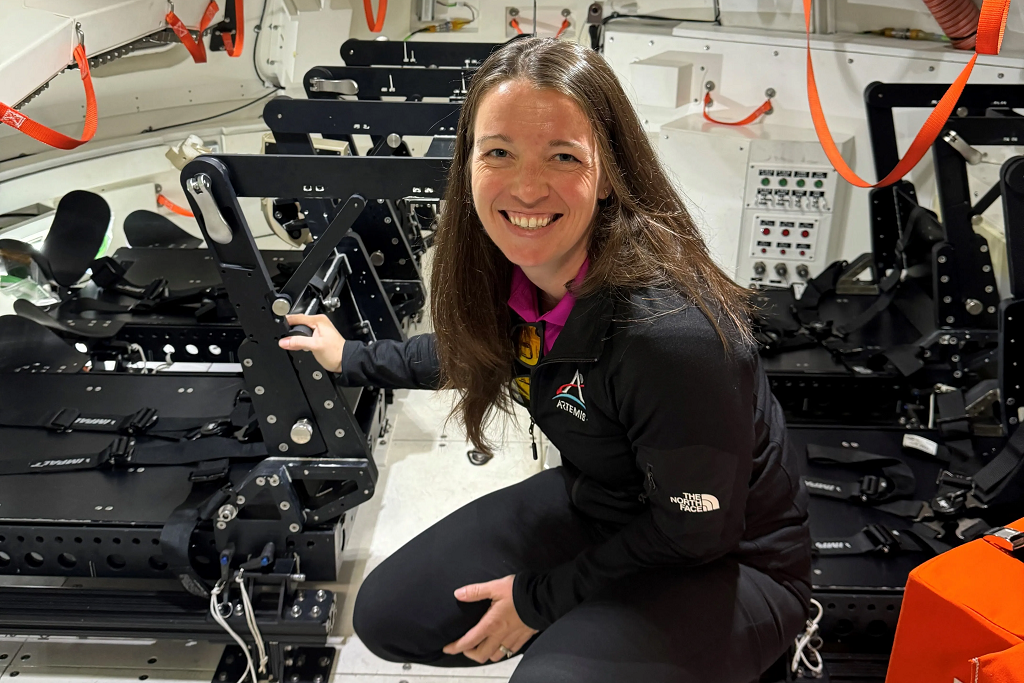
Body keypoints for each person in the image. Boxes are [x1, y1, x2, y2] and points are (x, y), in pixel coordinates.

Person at [279, 37, 811, 683]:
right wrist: (351, 356)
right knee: (392, 616)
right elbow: (478, 351)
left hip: (730, 557)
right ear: (468, 164)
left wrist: (541, 599)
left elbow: (696, 531)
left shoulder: (670, 335)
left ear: (609, 171)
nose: (527, 187)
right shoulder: (526, 279)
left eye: (563, 156)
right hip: (609, 502)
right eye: (498, 152)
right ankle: (602, 635)